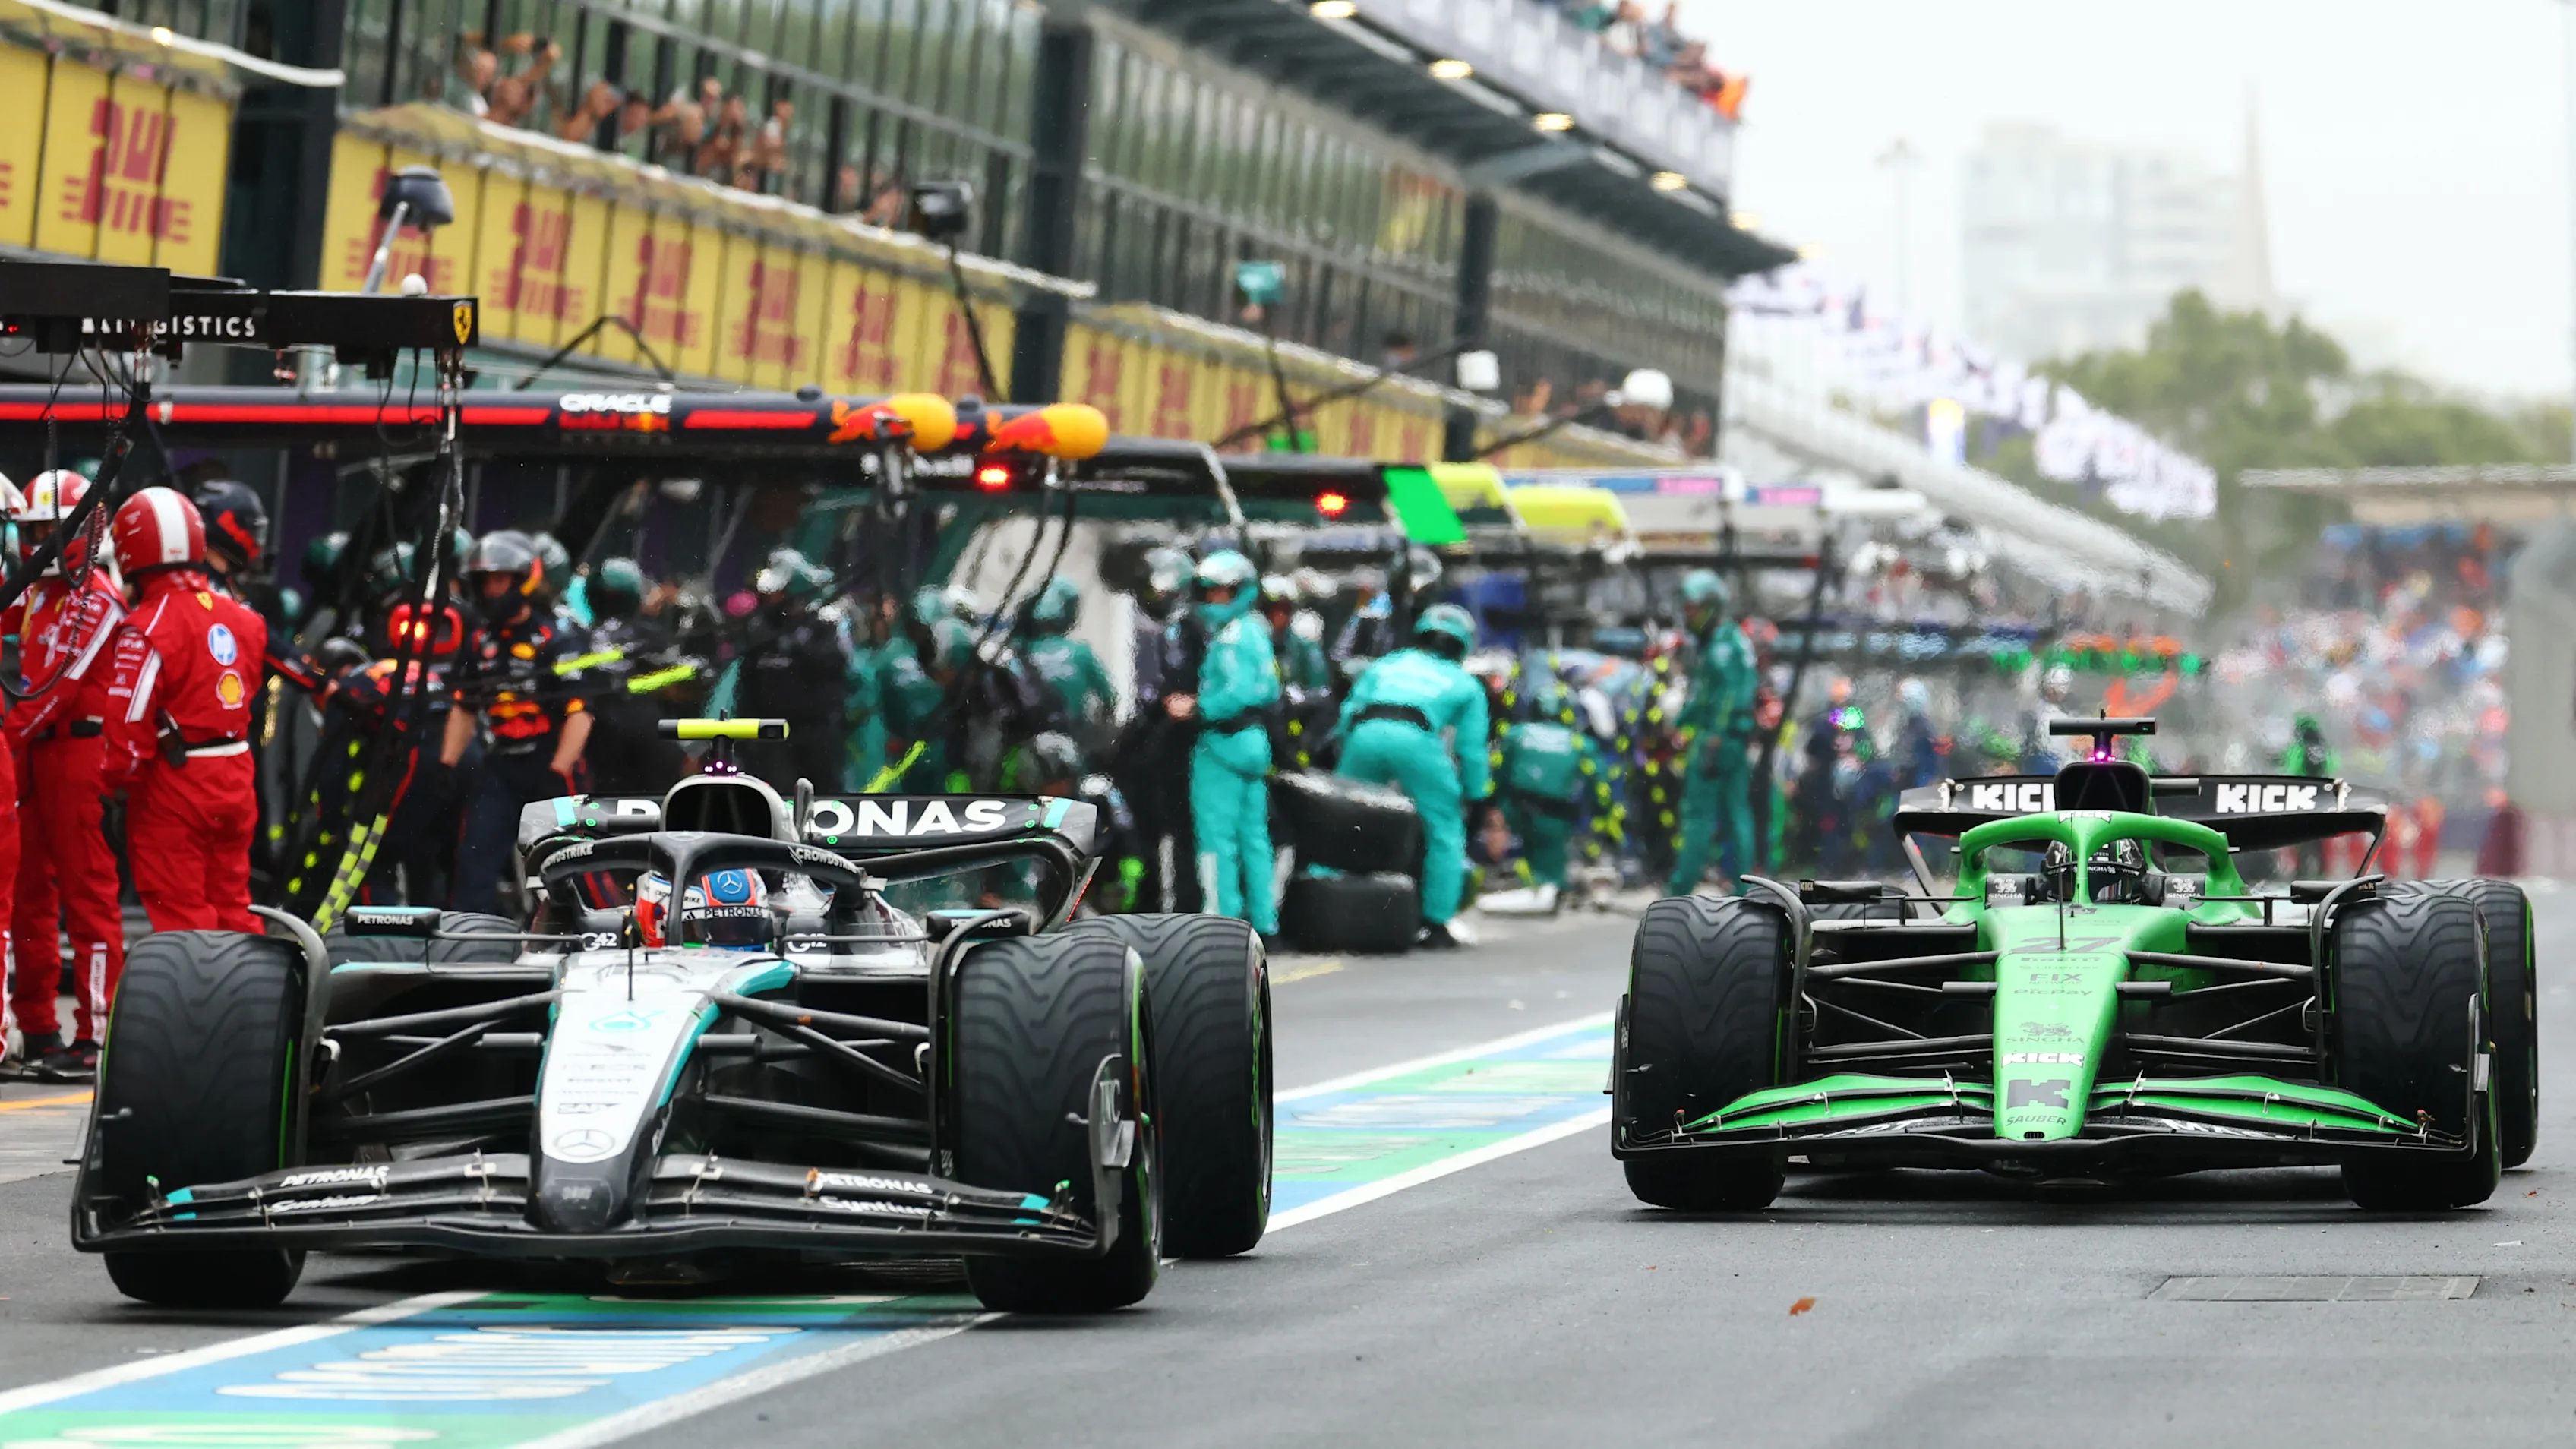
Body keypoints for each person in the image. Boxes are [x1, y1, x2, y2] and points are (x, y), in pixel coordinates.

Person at [100, 488, 266, 934]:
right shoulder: (246, 619)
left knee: (181, 917)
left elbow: (127, 729)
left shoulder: (144, 628)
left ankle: (193, 1004)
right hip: (237, 773)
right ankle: (255, 999)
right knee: (234, 906)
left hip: (175, 787)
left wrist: (115, 788)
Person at [4, 470, 115, 1075]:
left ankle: (95, 1035)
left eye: (51, 528)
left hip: (78, 754)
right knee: (27, 898)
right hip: (34, 752)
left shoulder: (96, 598)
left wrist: (4, 737)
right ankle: (39, 1025)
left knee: (87, 896)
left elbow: (54, 691)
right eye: (33, 530)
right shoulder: (33, 593)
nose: (41, 540)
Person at [441, 530, 592, 915]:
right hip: (500, 768)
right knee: (473, 859)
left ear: (523, 578)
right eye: (484, 581)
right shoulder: (478, 642)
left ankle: (582, 934)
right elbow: (464, 706)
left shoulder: (557, 638)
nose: (491, 589)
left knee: (566, 864)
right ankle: (472, 937)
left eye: (499, 579)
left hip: (552, 771)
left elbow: (580, 711)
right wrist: (447, 765)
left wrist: (559, 770)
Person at [1336, 603, 1491, 948]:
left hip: (1366, 732)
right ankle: (1436, 924)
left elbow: (1347, 716)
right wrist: (1477, 798)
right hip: (1417, 739)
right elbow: (1472, 750)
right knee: (1444, 829)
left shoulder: (1387, 663)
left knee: (1342, 819)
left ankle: (1321, 898)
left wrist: (1348, 764)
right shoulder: (1465, 683)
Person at [1177, 551, 1278, 936]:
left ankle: (1222, 924)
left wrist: (1196, 707)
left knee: (1216, 839)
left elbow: (1234, 691)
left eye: (1223, 592)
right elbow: (1268, 688)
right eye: (1211, 592)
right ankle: (1266, 922)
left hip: (1221, 745)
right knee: (1255, 838)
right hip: (1254, 742)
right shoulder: (1256, 630)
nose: (1214, 600)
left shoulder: (1231, 638)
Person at [1664, 570, 1758, 896]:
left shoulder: (1722, 647)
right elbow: (1705, 695)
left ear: (1711, 607)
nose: (1689, 617)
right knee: (1737, 815)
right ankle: (1745, 888)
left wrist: (1713, 735)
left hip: (1717, 741)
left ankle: (1679, 891)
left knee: (1698, 816)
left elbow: (1727, 696)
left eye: (1693, 609)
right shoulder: (1729, 641)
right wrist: (1678, 724)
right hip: (1733, 740)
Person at [734, 548, 850, 790]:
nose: (771, 597)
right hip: (770, 742)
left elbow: (836, 672)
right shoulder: (760, 629)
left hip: (815, 739)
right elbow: (747, 685)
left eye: (780, 591)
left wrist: (798, 647)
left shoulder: (823, 628)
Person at [580, 557, 688, 797]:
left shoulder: (579, 639)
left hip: (597, 736)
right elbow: (679, 687)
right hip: (650, 734)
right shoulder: (655, 636)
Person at [1492, 671, 1590, 912]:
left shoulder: (1515, 735)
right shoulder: (1579, 743)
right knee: (1552, 860)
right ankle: (1550, 886)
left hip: (1516, 811)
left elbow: (1499, 777)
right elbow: (1595, 785)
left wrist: (1494, 817)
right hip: (1556, 817)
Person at [1021, 576, 1117, 762]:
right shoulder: (1081, 653)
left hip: (1028, 748)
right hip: (1072, 746)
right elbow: (1109, 698)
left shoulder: (1020, 653)